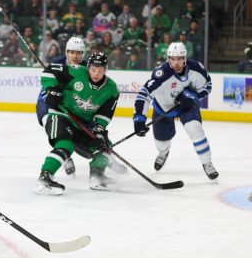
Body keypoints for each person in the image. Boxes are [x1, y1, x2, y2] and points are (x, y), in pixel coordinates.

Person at [36, 37, 126, 178]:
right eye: (72, 52)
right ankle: (62, 154)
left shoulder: (88, 67)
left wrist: (99, 129)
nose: (75, 56)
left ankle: (100, 168)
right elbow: (47, 81)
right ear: (66, 52)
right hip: (54, 105)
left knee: (101, 142)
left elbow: (102, 108)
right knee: (61, 136)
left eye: (78, 53)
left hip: (80, 112)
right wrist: (51, 91)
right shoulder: (61, 64)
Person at [133, 42, 219, 180]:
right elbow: (144, 94)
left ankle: (207, 164)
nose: (176, 62)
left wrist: (195, 96)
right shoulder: (161, 74)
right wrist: (139, 118)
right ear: (168, 59)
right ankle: (163, 152)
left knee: (195, 129)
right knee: (161, 142)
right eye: (172, 59)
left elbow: (208, 86)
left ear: (185, 58)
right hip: (163, 108)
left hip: (187, 107)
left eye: (179, 58)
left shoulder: (197, 69)